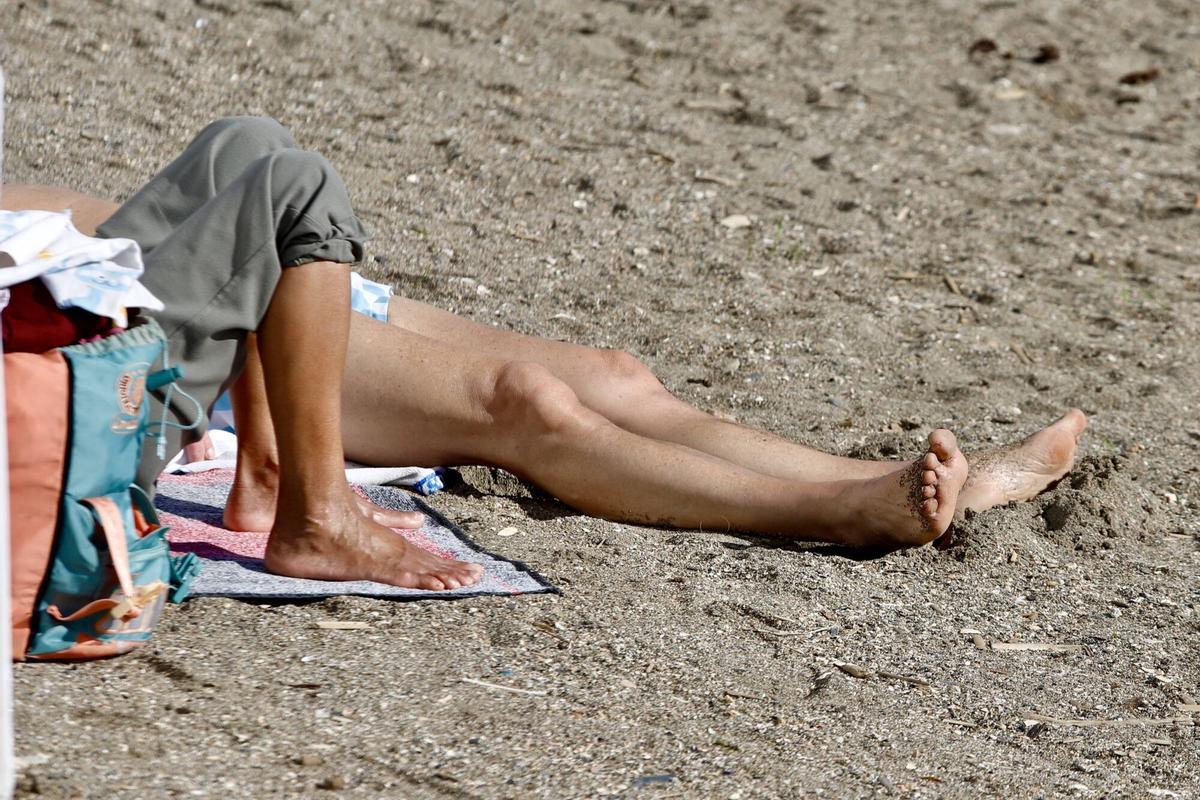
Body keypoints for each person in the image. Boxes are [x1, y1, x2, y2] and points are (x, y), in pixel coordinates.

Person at [1, 117, 1088, 591]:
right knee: (524, 403)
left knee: (612, 373)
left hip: (214, 265)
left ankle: (925, 486)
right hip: (183, 314)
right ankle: (853, 509)